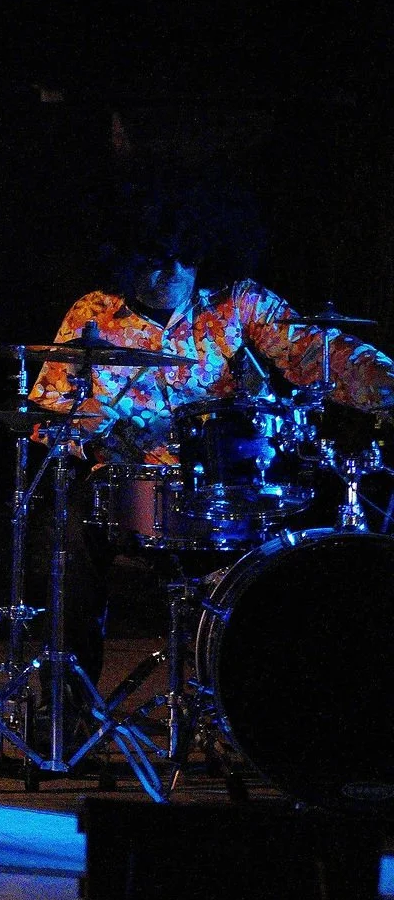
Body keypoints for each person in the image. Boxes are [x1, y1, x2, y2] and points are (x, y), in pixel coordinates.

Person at [29, 178, 394, 684]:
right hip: (123, 492)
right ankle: (66, 711)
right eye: (156, 260)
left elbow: (317, 352)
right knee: (64, 547)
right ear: (129, 260)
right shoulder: (92, 314)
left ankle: (253, 704)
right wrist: (83, 422)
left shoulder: (238, 303)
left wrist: (387, 383)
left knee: (296, 555)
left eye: (186, 260)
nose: (172, 275)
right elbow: (48, 415)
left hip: (225, 493)